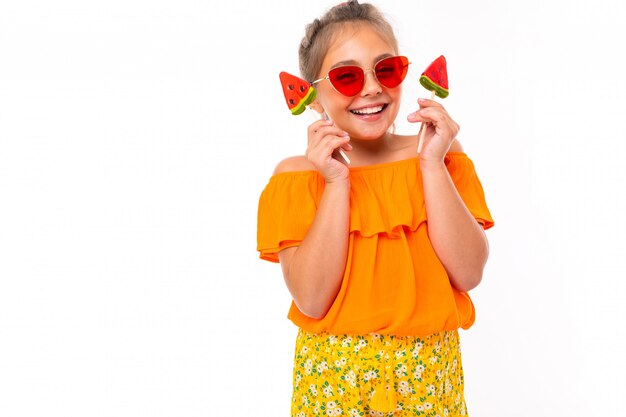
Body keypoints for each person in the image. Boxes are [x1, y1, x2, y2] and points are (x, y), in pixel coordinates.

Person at [256, 1, 494, 416]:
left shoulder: (437, 156)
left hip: (428, 381)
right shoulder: (295, 178)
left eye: (386, 70)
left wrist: (431, 164)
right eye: (347, 76)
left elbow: (469, 272)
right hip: (333, 387)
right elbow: (312, 299)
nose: (371, 88)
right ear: (310, 96)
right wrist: (335, 182)